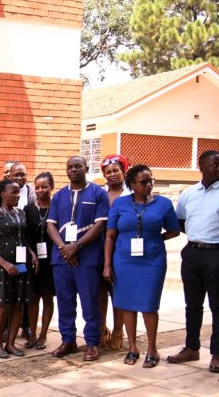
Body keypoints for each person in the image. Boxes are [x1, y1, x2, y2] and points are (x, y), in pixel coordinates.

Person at [103, 165, 181, 368]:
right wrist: (107, 264)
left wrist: (154, 239)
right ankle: (132, 347)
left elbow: (174, 230)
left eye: (150, 181)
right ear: (131, 185)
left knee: (149, 305)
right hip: (124, 261)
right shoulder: (120, 204)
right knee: (127, 304)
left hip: (152, 261)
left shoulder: (163, 203)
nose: (149, 185)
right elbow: (110, 236)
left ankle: (152, 349)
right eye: (143, 182)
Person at [168, 151, 219, 373]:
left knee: (218, 305)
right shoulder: (188, 194)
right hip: (193, 252)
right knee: (192, 305)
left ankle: (218, 353)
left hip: (217, 253)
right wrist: (198, 239)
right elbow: (182, 222)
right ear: (201, 166)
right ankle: (192, 347)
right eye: (215, 164)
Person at [46, 156, 110, 362]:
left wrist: (77, 246)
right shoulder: (58, 196)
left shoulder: (98, 193)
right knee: (65, 301)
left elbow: (100, 225)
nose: (73, 170)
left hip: (88, 257)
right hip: (62, 257)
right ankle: (68, 341)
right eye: (70, 167)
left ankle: (92, 342)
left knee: (90, 301)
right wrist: (64, 248)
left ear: (86, 168)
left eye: (77, 166)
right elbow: (50, 225)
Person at [0, 180, 37, 357]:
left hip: (20, 264)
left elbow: (22, 237)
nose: (18, 195)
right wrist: (4, 263)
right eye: (14, 192)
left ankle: (11, 344)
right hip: (1, 265)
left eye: (19, 192)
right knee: (3, 305)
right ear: (3, 194)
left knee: (18, 304)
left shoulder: (20, 213)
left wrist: (32, 254)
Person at [98, 155, 130, 351]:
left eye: (116, 170)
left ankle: (119, 330)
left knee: (117, 292)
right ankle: (102, 328)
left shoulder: (130, 193)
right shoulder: (100, 193)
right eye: (108, 172)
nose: (112, 174)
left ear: (123, 171)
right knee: (99, 291)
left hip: (121, 247)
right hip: (99, 246)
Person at [28, 172, 57, 350]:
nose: (40, 190)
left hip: (51, 259)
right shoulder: (29, 208)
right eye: (37, 187)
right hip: (32, 260)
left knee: (47, 296)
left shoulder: (57, 207)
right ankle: (31, 333)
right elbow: (23, 235)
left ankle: (43, 334)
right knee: (32, 297)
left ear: (51, 186)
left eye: (44, 186)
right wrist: (31, 253)